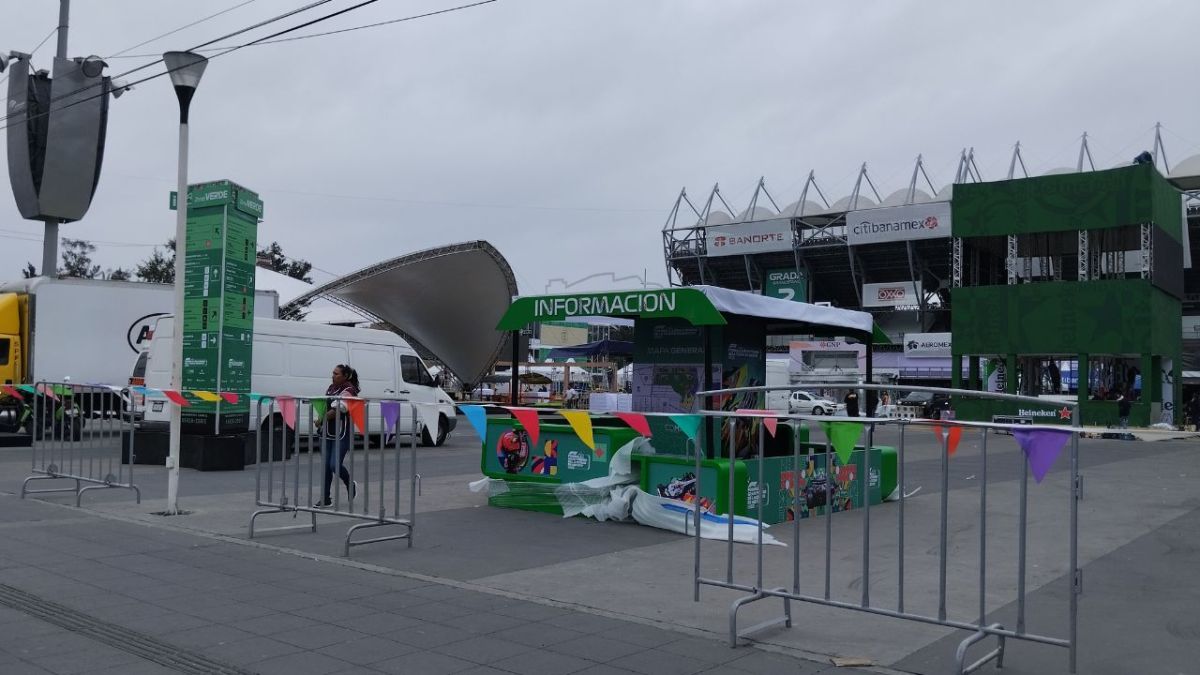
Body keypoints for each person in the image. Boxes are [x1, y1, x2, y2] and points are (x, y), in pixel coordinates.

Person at [315, 364, 360, 508]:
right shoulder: (331, 388)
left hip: (342, 434)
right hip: (327, 433)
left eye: (336, 374)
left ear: (345, 376)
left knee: (334, 464)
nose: (333, 376)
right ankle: (325, 498)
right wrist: (319, 419)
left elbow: (337, 410)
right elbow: (326, 407)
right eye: (332, 373)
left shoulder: (349, 390)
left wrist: (322, 419)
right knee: (326, 467)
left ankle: (349, 482)